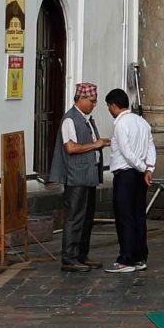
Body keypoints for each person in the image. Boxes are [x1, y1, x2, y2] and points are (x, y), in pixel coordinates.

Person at [57, 82, 110, 272]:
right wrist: (95, 145)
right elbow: (70, 147)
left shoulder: (87, 119)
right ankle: (69, 258)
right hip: (76, 176)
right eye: (92, 101)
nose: (94, 104)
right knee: (74, 217)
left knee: (87, 217)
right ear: (81, 99)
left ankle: (81, 254)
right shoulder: (70, 119)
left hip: (89, 175)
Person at [105, 87, 156, 271]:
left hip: (126, 173)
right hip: (140, 174)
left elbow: (127, 152)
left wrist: (144, 168)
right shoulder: (142, 121)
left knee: (125, 216)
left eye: (109, 107)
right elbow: (151, 146)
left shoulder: (121, 124)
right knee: (138, 216)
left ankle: (126, 258)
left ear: (113, 106)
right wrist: (149, 168)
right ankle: (140, 256)